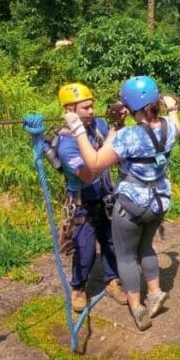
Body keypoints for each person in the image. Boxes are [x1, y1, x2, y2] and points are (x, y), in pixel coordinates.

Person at [63, 76, 180, 331]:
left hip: (132, 205)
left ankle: (137, 308)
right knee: (146, 249)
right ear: (156, 101)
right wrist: (172, 108)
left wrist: (77, 129)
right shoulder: (170, 128)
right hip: (159, 202)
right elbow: (175, 124)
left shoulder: (127, 136)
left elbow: (94, 164)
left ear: (129, 106)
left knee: (127, 257)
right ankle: (155, 292)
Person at [55, 82, 127, 312]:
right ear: (70, 111)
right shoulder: (66, 144)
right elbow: (89, 173)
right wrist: (111, 137)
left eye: (92, 106)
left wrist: (119, 121)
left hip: (106, 197)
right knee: (84, 248)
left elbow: (118, 143)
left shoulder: (99, 125)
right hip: (83, 203)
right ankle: (78, 287)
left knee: (111, 243)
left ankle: (112, 280)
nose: (91, 111)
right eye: (85, 107)